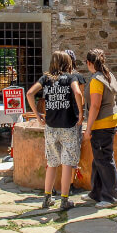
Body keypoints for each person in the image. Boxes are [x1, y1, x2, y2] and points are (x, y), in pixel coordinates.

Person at [27, 51, 83, 211]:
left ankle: (47, 198)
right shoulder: (71, 78)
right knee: (67, 163)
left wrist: (37, 116)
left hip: (51, 127)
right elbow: (78, 93)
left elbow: (30, 93)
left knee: (51, 163)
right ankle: (64, 200)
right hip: (68, 126)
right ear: (67, 63)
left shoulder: (45, 79)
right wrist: (80, 113)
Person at [82, 49, 117, 208]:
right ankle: (96, 193)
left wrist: (88, 128)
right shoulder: (108, 75)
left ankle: (111, 197)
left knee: (104, 159)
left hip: (102, 124)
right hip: (111, 119)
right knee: (98, 159)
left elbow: (95, 106)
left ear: (89, 63)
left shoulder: (97, 80)